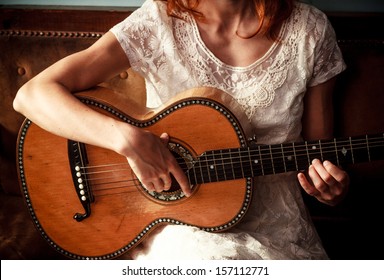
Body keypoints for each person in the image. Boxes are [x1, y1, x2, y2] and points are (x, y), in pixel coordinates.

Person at [13, 0, 350, 259]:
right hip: (181, 223)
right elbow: (31, 95)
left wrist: (330, 190)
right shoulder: (159, 21)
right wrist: (126, 139)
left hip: (276, 228)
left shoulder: (311, 31)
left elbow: (318, 158)